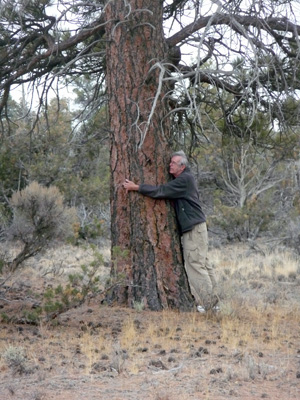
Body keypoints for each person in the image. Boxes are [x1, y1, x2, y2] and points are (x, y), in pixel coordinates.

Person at [123, 150, 219, 313]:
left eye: (173, 163)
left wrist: (136, 187)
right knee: (202, 264)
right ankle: (214, 304)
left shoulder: (184, 180)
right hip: (197, 228)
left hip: (194, 230)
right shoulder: (184, 179)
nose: (169, 165)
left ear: (182, 166)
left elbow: (161, 191)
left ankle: (211, 305)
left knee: (195, 265)